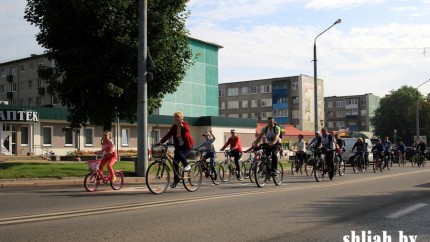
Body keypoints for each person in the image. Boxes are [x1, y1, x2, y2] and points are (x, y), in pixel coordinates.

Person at [159, 111, 194, 188]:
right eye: (175, 117)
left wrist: (182, 126)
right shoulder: (174, 127)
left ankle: (187, 165)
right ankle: (176, 180)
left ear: (181, 118)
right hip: (179, 146)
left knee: (177, 151)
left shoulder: (185, 125)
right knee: (175, 163)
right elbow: (168, 135)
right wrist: (161, 142)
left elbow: (187, 130)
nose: (176, 118)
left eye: (177, 117)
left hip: (187, 145)